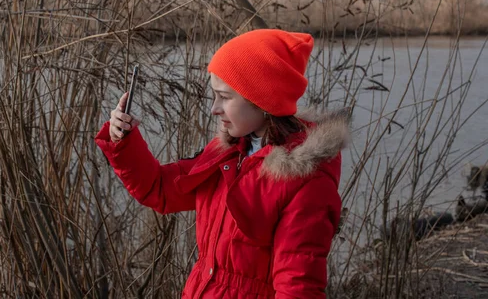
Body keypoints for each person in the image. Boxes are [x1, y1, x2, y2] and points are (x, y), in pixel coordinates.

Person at [95, 29, 350, 298]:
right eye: (215, 95)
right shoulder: (227, 154)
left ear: (262, 100)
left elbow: (298, 287)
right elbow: (159, 189)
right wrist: (122, 140)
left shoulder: (304, 179)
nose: (214, 108)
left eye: (225, 97)